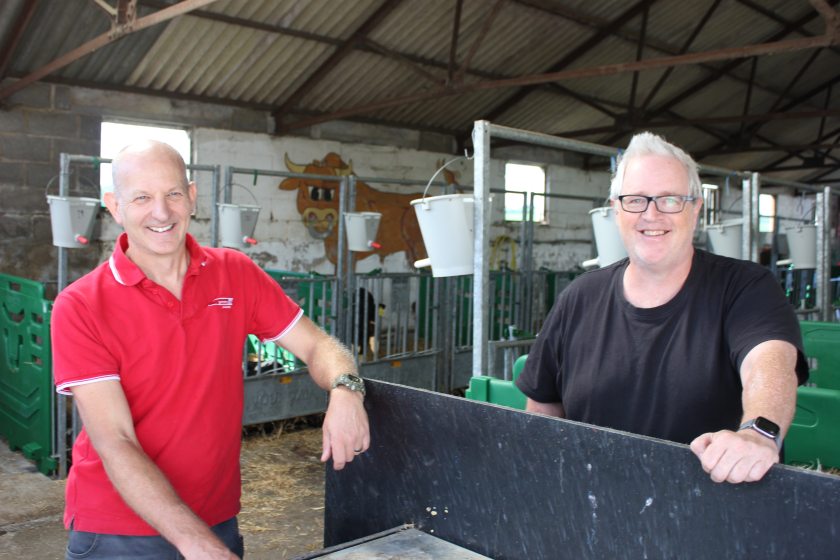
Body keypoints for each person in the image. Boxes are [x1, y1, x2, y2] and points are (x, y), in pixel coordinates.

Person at [51, 140, 370, 559]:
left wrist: (346, 390)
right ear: (114, 205)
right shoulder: (81, 305)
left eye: (173, 194)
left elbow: (316, 344)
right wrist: (194, 542)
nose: (161, 212)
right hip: (118, 530)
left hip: (215, 518)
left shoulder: (235, 273)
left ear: (193, 196)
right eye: (142, 198)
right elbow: (115, 440)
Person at [515, 131, 808, 485]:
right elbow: (543, 410)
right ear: (615, 209)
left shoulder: (745, 287)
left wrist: (758, 433)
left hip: (715, 512)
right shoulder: (578, 297)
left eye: (670, 199)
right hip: (593, 509)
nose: (651, 214)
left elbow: (770, 364)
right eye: (635, 200)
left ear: (696, 207)